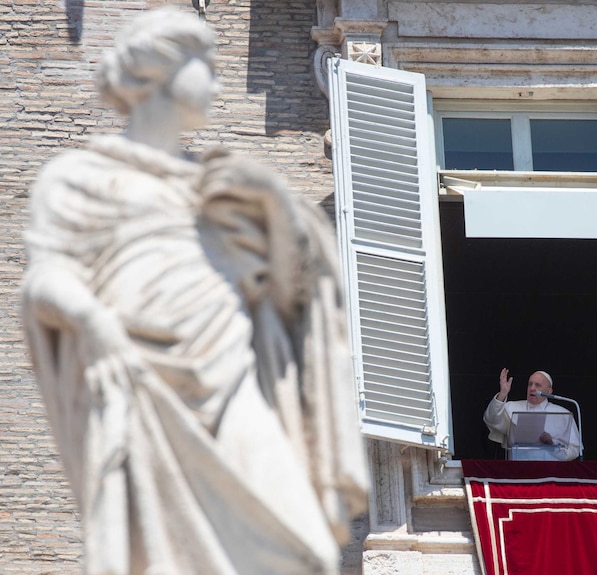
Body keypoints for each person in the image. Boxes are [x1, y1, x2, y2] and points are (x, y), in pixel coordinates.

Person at [21, 9, 366, 575]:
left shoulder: (217, 190)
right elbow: (47, 277)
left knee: (302, 546)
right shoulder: (79, 178)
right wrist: (93, 320)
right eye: (205, 66)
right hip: (141, 378)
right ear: (161, 72)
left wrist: (278, 212)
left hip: (230, 377)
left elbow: (290, 298)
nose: (220, 83)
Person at [483, 368, 581, 461]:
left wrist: (553, 445)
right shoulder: (512, 407)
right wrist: (502, 394)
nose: (532, 388)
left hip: (550, 472)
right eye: (530, 384)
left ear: (549, 391)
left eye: (538, 385)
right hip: (517, 471)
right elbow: (491, 420)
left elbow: (574, 450)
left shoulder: (563, 414)